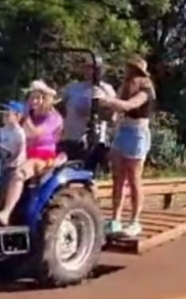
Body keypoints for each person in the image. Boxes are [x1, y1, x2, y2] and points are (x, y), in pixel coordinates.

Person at [94, 56, 157, 239]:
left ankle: (135, 221)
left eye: (131, 69)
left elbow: (130, 106)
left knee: (134, 177)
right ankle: (115, 219)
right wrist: (108, 111)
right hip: (124, 130)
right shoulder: (125, 87)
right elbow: (118, 110)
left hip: (138, 132)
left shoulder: (146, 89)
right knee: (118, 177)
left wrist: (105, 101)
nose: (128, 72)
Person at [0, 81, 64, 225]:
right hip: (23, 153)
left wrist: (24, 116)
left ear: (46, 99)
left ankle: (6, 213)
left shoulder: (54, 118)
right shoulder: (27, 115)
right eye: (32, 98)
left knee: (19, 173)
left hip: (42, 156)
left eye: (38, 98)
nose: (34, 101)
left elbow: (34, 133)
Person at [59, 56, 116, 160]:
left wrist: (100, 111)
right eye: (89, 68)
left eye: (96, 68)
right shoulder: (73, 88)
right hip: (71, 138)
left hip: (95, 139)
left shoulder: (106, 89)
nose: (92, 71)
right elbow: (60, 107)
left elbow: (113, 116)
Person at [0, 101, 27, 214]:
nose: (4, 116)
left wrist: (10, 161)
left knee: (6, 181)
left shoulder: (18, 133)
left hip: (13, 165)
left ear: (17, 116)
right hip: (0, 163)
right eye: (3, 113)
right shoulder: (3, 130)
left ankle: (1, 208)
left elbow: (16, 151)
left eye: (7, 114)